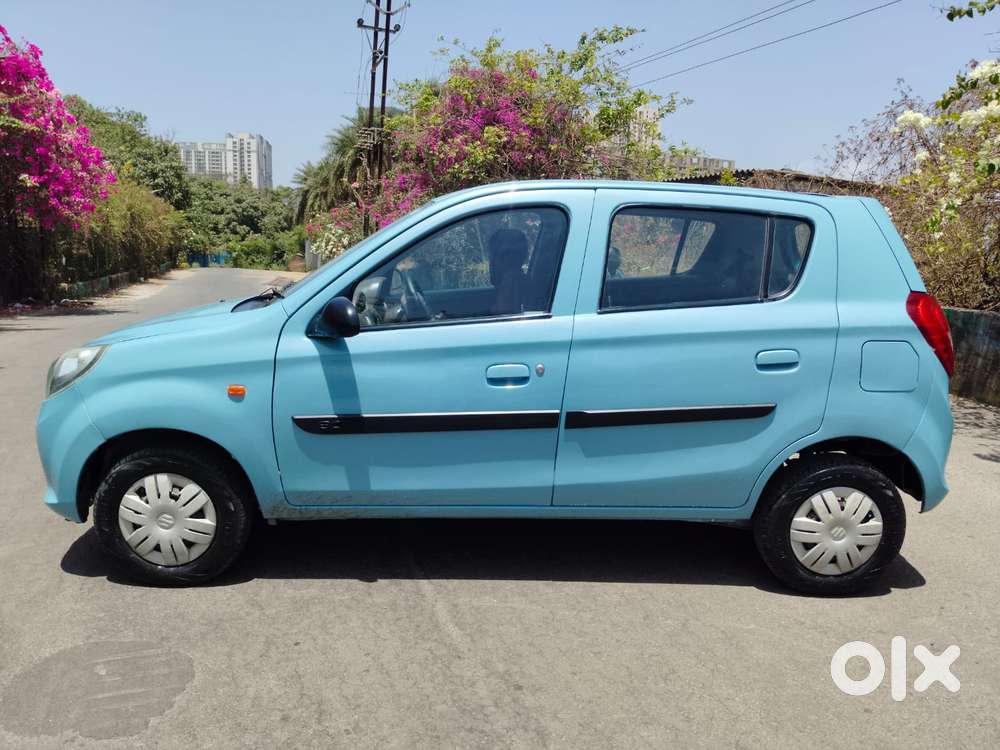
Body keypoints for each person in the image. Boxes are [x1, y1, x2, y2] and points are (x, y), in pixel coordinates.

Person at [488, 228, 529, 315]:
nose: (490, 264)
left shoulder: (511, 284)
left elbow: (504, 314)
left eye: (494, 256)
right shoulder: (523, 282)